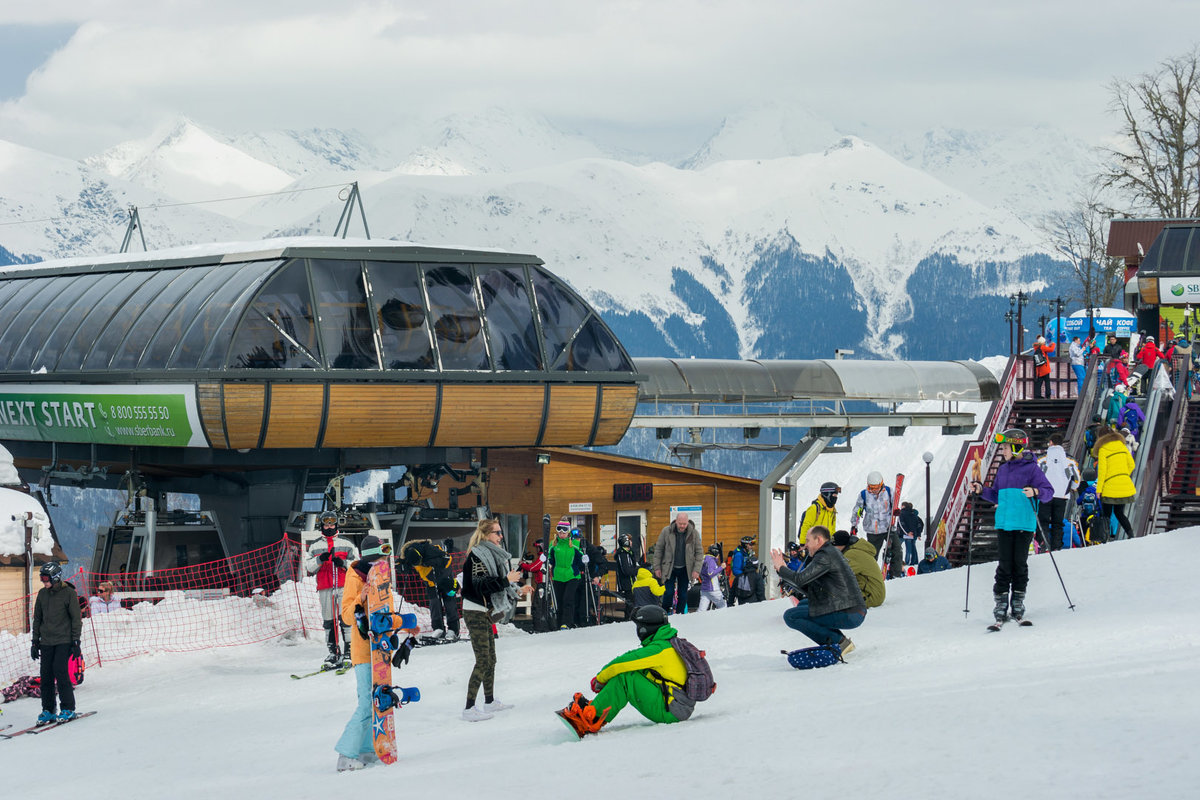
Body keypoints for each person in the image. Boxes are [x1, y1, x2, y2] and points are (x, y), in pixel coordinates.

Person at [555, 605, 691, 737]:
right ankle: (595, 708)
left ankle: (589, 719)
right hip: (677, 705)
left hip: (673, 709)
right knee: (633, 673)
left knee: (625, 678)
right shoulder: (666, 643)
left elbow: (623, 663)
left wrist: (600, 679)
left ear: (645, 629)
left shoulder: (659, 649)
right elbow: (632, 658)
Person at [969, 428, 1054, 624]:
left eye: (1006, 447)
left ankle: (1017, 601)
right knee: (1004, 565)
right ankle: (1000, 603)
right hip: (1004, 524)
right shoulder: (1003, 469)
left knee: (1019, 564)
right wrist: (981, 490)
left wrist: (1035, 491)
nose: (1003, 451)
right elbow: (997, 495)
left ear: (1016, 447)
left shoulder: (1031, 468)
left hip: (1024, 524)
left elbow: (1048, 491)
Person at [460, 518, 533, 721]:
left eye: (500, 533)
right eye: (497, 533)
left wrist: (518, 589)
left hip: (485, 611)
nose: (501, 537)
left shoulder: (492, 554)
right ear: (485, 535)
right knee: (483, 660)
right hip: (475, 611)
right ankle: (468, 708)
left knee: (491, 659)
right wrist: (506, 580)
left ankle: (490, 701)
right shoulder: (477, 555)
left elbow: (499, 584)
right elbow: (480, 585)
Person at [334, 535, 391, 771]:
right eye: (379, 559)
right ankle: (346, 754)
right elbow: (347, 614)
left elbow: (383, 611)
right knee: (367, 703)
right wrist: (362, 596)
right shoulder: (355, 577)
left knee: (376, 702)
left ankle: (366, 749)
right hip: (362, 651)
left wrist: (405, 623)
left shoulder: (379, 577)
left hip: (379, 649)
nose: (382, 564)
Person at [770, 526, 866, 655]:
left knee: (791, 616)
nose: (805, 546)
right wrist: (782, 571)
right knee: (804, 604)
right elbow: (807, 586)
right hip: (851, 609)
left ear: (818, 540)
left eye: (808, 541)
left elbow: (800, 579)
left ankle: (839, 643)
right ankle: (839, 641)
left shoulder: (825, 556)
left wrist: (782, 568)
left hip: (849, 613)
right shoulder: (828, 552)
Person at [304, 511, 359, 666]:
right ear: (322, 525)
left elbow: (356, 564)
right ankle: (333, 652)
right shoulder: (315, 545)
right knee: (329, 619)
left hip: (343, 585)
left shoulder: (347, 543)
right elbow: (308, 566)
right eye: (326, 524)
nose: (329, 526)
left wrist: (343, 563)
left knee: (345, 618)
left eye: (332, 523)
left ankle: (349, 651)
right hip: (325, 586)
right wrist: (320, 559)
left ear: (336, 525)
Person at [31, 561, 82, 724]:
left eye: (46, 578)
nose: (43, 582)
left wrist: (76, 641)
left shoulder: (69, 593)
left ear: (55, 577)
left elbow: (76, 619)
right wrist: (34, 641)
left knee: (60, 672)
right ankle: (48, 710)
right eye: (42, 578)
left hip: (63, 640)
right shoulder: (42, 594)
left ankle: (68, 708)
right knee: (46, 675)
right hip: (46, 641)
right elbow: (37, 618)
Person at [400, 538, 460, 641]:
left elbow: (446, 558)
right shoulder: (408, 554)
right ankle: (438, 628)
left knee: (449, 602)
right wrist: (402, 566)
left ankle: (454, 630)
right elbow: (403, 563)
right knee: (434, 603)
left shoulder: (430, 550)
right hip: (430, 580)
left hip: (445, 577)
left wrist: (433, 562)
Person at [651, 512, 703, 614]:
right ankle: (665, 613)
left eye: (684, 524)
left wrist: (696, 570)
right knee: (668, 592)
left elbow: (699, 553)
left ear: (688, 522)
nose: (682, 526)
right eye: (680, 524)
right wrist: (657, 567)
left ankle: (680, 614)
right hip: (670, 567)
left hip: (685, 569)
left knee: (683, 594)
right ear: (676, 521)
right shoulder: (666, 531)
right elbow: (658, 550)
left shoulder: (694, 533)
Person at [1037, 432, 1080, 553]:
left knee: (1043, 521)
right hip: (1062, 495)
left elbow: (1036, 474)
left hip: (1045, 494)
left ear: (1050, 443)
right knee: (1058, 522)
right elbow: (1076, 478)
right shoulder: (1070, 460)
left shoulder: (1042, 458)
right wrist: (1072, 487)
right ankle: (1057, 546)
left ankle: (1042, 543)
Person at [1094, 427, 1136, 540]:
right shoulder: (1122, 446)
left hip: (1109, 487)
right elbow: (1132, 464)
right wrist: (1123, 474)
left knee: (1106, 514)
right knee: (1119, 512)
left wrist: (1099, 489)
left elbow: (1102, 471)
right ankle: (1130, 533)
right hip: (1124, 484)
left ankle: (1105, 537)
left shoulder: (1103, 449)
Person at [831, 530, 885, 608]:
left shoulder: (852, 554)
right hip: (871, 592)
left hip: (871, 596)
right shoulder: (853, 551)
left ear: (842, 545)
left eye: (834, 546)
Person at [548, 519, 583, 629]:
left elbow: (581, 558)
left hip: (572, 575)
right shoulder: (553, 544)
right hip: (558, 576)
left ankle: (567, 623)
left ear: (568, 532)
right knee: (559, 600)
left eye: (564, 532)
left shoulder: (575, 544)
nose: (562, 534)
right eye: (560, 531)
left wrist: (584, 559)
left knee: (568, 599)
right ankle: (560, 624)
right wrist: (547, 561)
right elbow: (550, 559)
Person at [850, 471, 894, 559]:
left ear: (881, 484)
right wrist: (854, 525)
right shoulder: (864, 494)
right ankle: (871, 571)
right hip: (873, 531)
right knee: (872, 555)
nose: (874, 490)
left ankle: (894, 571)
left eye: (876, 488)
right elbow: (857, 510)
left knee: (896, 551)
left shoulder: (888, 492)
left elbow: (895, 506)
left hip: (888, 528)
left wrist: (896, 512)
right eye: (871, 488)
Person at [518, 540, 552, 631]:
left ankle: (539, 627)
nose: (536, 549)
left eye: (537, 547)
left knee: (538, 606)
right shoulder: (543, 557)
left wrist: (523, 565)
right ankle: (542, 627)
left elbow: (533, 568)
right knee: (542, 606)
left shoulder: (543, 557)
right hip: (545, 584)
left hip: (543, 585)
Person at [612, 533, 639, 617]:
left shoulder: (629, 552)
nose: (631, 542)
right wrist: (637, 570)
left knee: (633, 601)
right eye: (629, 540)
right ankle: (629, 618)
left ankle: (632, 616)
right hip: (627, 583)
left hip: (632, 582)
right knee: (630, 602)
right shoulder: (623, 554)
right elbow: (627, 570)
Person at [729, 536, 759, 605]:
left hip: (748, 580)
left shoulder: (746, 553)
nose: (752, 547)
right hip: (742, 582)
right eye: (750, 545)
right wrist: (746, 575)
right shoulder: (739, 555)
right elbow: (736, 570)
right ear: (745, 545)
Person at [696, 544, 727, 610]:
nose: (718, 557)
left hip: (704, 589)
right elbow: (710, 573)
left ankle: (698, 620)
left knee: (701, 610)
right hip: (713, 589)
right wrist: (721, 567)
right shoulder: (711, 560)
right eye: (718, 555)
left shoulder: (704, 558)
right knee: (723, 607)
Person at [895, 502, 923, 566]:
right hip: (911, 535)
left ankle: (898, 561)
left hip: (902, 534)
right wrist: (918, 534)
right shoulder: (913, 514)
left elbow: (901, 524)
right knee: (910, 549)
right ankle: (909, 562)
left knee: (896, 547)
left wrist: (907, 532)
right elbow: (919, 524)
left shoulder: (902, 513)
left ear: (903, 506)